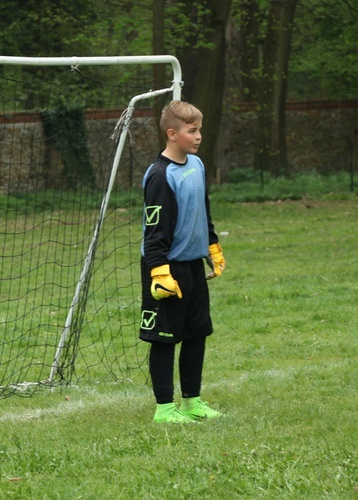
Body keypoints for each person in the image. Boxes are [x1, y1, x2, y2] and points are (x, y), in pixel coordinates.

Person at [140, 100, 226, 423]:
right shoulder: (160, 176)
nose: (199, 136)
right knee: (164, 338)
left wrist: (212, 246)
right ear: (172, 134)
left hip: (192, 266)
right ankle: (164, 409)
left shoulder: (198, 165)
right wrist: (159, 272)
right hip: (166, 268)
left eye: (200, 129)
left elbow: (203, 210)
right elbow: (154, 231)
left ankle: (192, 402)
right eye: (193, 131)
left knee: (196, 333)